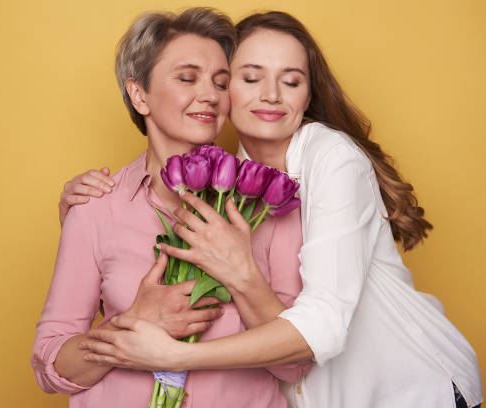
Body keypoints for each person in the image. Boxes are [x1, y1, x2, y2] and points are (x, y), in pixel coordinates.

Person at [63, 11, 483, 408]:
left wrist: (173, 356)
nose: (271, 95)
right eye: (248, 77)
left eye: (292, 81)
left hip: (410, 391)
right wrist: (81, 215)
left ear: (309, 94)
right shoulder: (228, 185)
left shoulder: (332, 158)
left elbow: (323, 327)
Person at [31, 8, 310, 408]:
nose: (211, 95)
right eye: (187, 78)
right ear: (139, 94)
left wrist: (242, 273)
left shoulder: (266, 203)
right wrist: (135, 323)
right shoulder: (94, 208)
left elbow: (295, 364)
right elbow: (51, 367)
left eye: (221, 82)